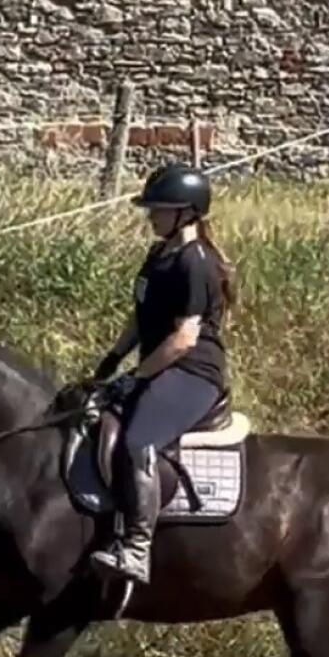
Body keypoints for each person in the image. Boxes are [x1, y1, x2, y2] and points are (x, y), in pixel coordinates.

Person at [89, 162, 234, 583]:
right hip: (158, 365)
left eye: (159, 210)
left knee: (139, 439)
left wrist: (136, 378)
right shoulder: (160, 254)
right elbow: (142, 316)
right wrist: (114, 358)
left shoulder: (196, 262)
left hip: (192, 373)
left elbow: (185, 338)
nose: (151, 216)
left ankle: (137, 547)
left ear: (186, 213)